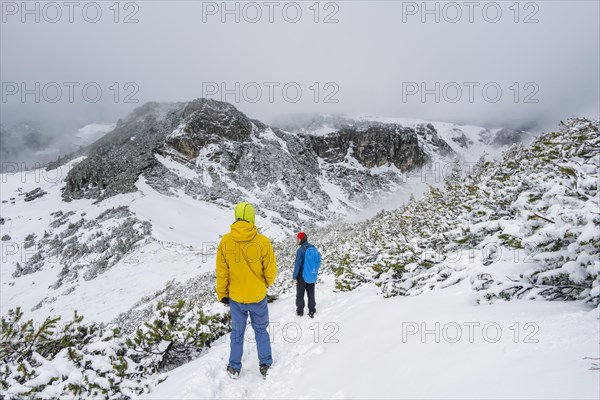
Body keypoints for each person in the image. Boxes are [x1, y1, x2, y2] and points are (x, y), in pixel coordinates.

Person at [216, 202, 277, 379]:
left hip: (236, 298)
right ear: (252, 218)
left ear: (236, 217)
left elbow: (222, 271)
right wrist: (263, 284)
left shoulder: (226, 241)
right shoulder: (263, 242)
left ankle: (234, 367)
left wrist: (222, 294)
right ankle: (265, 364)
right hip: (257, 296)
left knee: (237, 332)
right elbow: (271, 271)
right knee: (261, 331)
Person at [293, 232, 317, 318]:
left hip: (302, 276)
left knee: (300, 294)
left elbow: (297, 265)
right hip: (311, 275)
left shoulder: (300, 250)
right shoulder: (313, 248)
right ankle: (312, 310)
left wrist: (295, 276)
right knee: (311, 294)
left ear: (301, 239)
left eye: (298, 239)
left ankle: (300, 312)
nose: (297, 240)